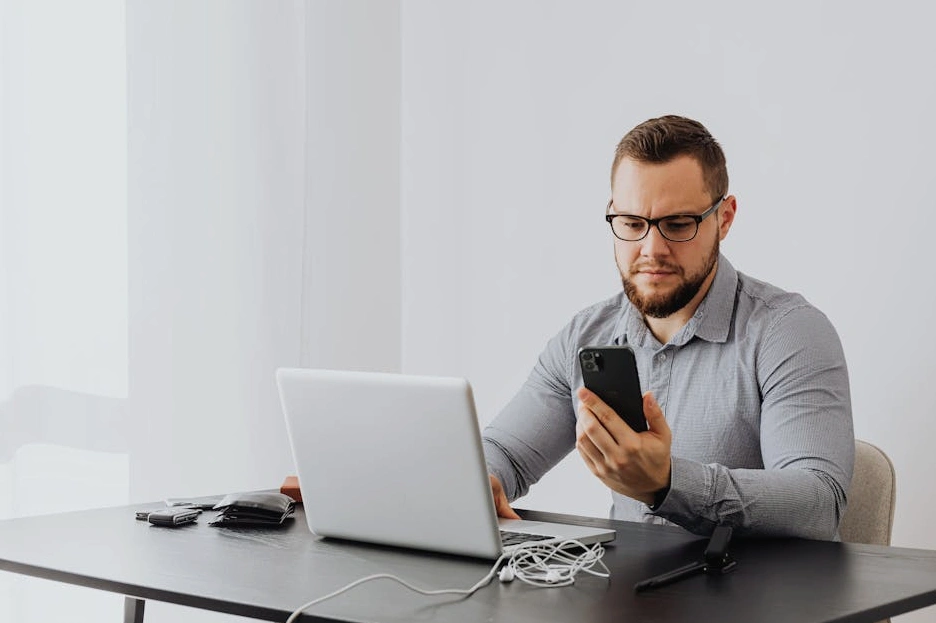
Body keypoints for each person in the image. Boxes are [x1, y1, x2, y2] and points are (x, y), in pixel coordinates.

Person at [482, 115, 854, 539]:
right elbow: (504, 454)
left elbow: (819, 503)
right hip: (629, 600)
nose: (651, 249)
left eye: (678, 225)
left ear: (725, 218)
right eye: (632, 224)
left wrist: (668, 483)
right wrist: (483, 482)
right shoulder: (585, 338)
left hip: (757, 599)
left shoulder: (789, 332)